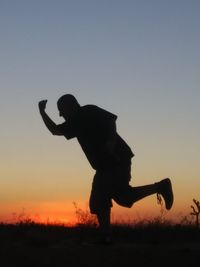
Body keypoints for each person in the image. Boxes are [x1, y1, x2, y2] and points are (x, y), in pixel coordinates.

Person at [38, 94, 174, 244]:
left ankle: (106, 237)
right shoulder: (74, 123)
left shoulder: (88, 111)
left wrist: (110, 141)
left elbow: (111, 120)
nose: (60, 114)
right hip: (105, 165)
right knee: (122, 197)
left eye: (61, 110)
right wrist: (42, 112)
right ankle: (160, 186)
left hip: (117, 159)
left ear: (70, 106)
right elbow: (55, 130)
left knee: (100, 199)